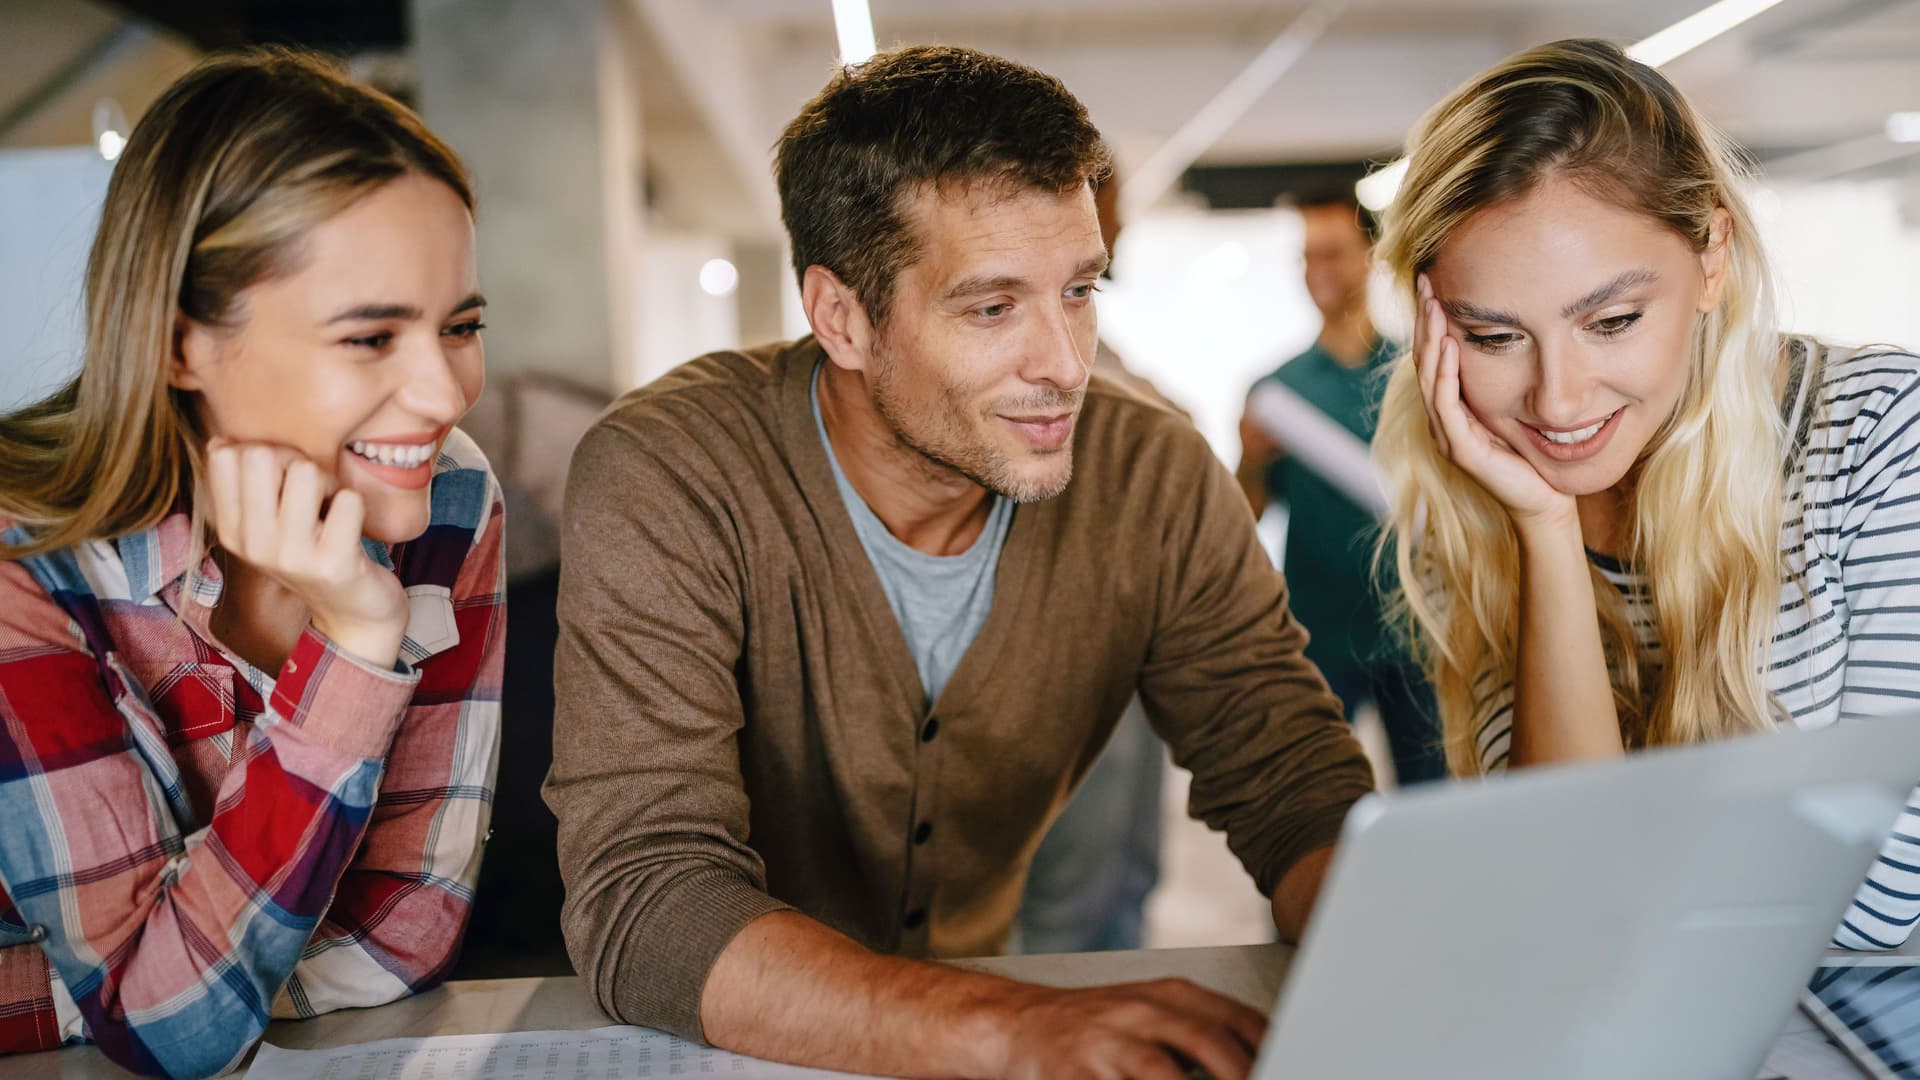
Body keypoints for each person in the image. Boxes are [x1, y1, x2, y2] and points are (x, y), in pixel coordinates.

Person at [547, 45, 1373, 1080]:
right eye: (992, 309)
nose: (1065, 364)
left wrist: (1403, 972)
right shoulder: (672, 471)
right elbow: (649, 894)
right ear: (843, 316)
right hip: (711, 1044)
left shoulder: (1154, 471)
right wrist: (1009, 1025)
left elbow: (1288, 779)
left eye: (1079, 291)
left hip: (955, 1020)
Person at [0, 50, 506, 1077]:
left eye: (461, 327)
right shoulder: (23, 560)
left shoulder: (449, 499)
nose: (446, 393)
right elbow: (163, 1031)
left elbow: (407, 930)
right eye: (371, 338)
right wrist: (356, 654)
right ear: (183, 345)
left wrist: (157, 967)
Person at [1372, 38, 1920, 949]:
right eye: (1496, 336)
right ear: (1435, 324)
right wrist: (1545, 530)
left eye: (1613, 320)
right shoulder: (1478, 493)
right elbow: (1558, 890)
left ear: (1712, 257)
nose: (1560, 399)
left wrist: (1619, 868)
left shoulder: (1881, 437)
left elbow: (1878, 895)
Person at [1236, 186, 1446, 785]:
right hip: (1318, 633)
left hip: (1415, 630)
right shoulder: (1276, 390)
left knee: (1430, 797)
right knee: (1317, 797)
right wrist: (1250, 462)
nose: (1316, 272)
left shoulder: (1418, 374)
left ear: (1371, 256)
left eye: (1331, 253)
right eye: (1307, 257)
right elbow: (1244, 517)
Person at [1015, 164, 1171, 956]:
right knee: (1067, 888)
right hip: (1062, 641)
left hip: (1131, 636)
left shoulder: (1107, 360)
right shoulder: (1026, 363)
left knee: (1131, 869)